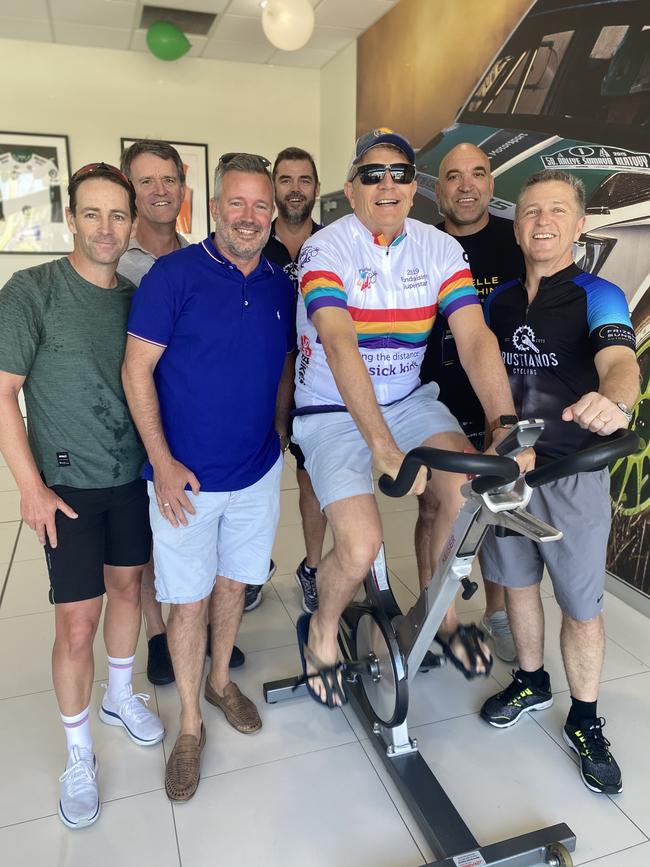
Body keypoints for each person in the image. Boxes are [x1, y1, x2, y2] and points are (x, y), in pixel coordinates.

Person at [291, 128, 533, 706]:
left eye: (400, 172)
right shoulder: (325, 248)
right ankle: (324, 626)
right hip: (331, 409)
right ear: (351, 189)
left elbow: (474, 337)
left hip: (409, 400)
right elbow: (339, 342)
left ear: (414, 188)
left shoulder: (439, 247)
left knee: (462, 490)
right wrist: (380, 445)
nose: (388, 184)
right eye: (372, 174)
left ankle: (442, 615)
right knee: (359, 545)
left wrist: (503, 426)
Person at [122, 153, 295, 801]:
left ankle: (221, 679)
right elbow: (136, 372)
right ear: (214, 208)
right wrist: (162, 463)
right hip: (183, 481)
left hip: (253, 473)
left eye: (261, 205)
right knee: (186, 599)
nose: (248, 217)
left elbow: (280, 365)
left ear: (272, 213)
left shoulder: (282, 283)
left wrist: (275, 433)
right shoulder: (172, 278)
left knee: (231, 584)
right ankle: (191, 723)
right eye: (236, 204)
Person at [0, 162, 165, 830]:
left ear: (132, 224)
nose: (105, 227)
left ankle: (120, 694)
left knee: (129, 589)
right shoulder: (30, 292)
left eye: (117, 216)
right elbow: (2, 393)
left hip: (129, 477)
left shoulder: (134, 295)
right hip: (65, 486)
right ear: (72, 218)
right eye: (92, 214)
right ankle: (77, 752)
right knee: (77, 623)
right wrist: (30, 488)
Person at [479, 169, 640, 795]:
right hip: (508, 471)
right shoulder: (498, 302)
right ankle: (530, 679)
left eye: (555, 211)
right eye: (529, 211)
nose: (541, 221)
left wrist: (615, 402)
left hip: (571, 473)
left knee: (580, 604)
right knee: (517, 585)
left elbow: (619, 361)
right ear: (517, 227)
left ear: (577, 226)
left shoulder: (599, 294)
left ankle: (586, 715)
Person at [118, 139, 246, 685]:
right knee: (149, 539)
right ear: (130, 190)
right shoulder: (117, 260)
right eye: (145, 181)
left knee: (195, 533)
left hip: (193, 422)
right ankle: (158, 636)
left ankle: (194, 630)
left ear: (185, 188)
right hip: (134, 419)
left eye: (168, 179)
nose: (159, 190)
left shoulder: (204, 256)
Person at [418, 142, 525, 662]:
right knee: (435, 505)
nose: (466, 185)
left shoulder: (516, 244)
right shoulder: (423, 244)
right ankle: (437, 614)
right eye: (454, 176)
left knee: (497, 512)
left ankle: (499, 611)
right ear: (437, 191)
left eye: (477, 174)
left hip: (500, 398)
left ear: (490, 184)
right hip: (436, 396)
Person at [245, 146, 324, 615]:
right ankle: (252, 567)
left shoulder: (334, 241)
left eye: (305, 180)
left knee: (312, 478)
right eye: (286, 180)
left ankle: (312, 568)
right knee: (256, 480)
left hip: (316, 378)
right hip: (260, 377)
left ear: (316, 187)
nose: (295, 189)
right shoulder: (254, 240)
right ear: (274, 188)